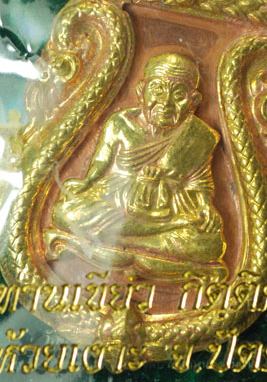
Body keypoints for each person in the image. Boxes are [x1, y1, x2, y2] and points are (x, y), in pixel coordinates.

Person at [45, 52, 225, 276]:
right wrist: (87, 182)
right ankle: (147, 248)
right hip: (117, 198)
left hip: (168, 207)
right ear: (142, 91)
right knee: (66, 213)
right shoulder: (120, 123)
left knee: (210, 243)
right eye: (157, 90)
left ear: (193, 101)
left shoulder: (200, 135)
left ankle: (121, 243)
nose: (166, 103)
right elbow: (101, 161)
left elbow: (199, 182)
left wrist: (206, 208)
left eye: (178, 94)